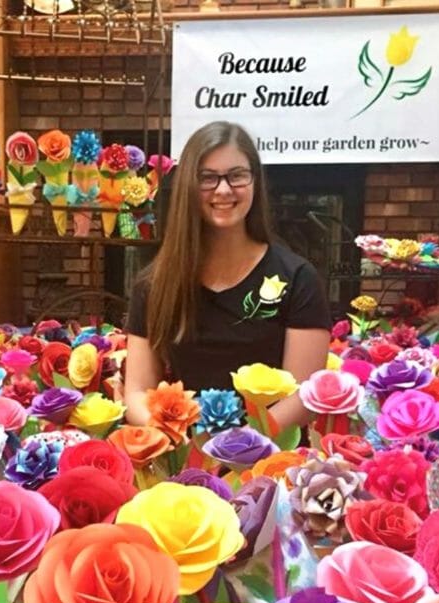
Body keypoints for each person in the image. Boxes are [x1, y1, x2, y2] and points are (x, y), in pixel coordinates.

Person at [124, 121, 332, 431]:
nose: (223, 189)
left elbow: (303, 396)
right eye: (207, 178)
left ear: (255, 182)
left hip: (271, 462)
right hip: (183, 454)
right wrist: (177, 439)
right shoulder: (155, 285)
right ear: (188, 187)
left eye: (237, 175)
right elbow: (137, 392)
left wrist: (237, 446)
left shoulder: (297, 279)